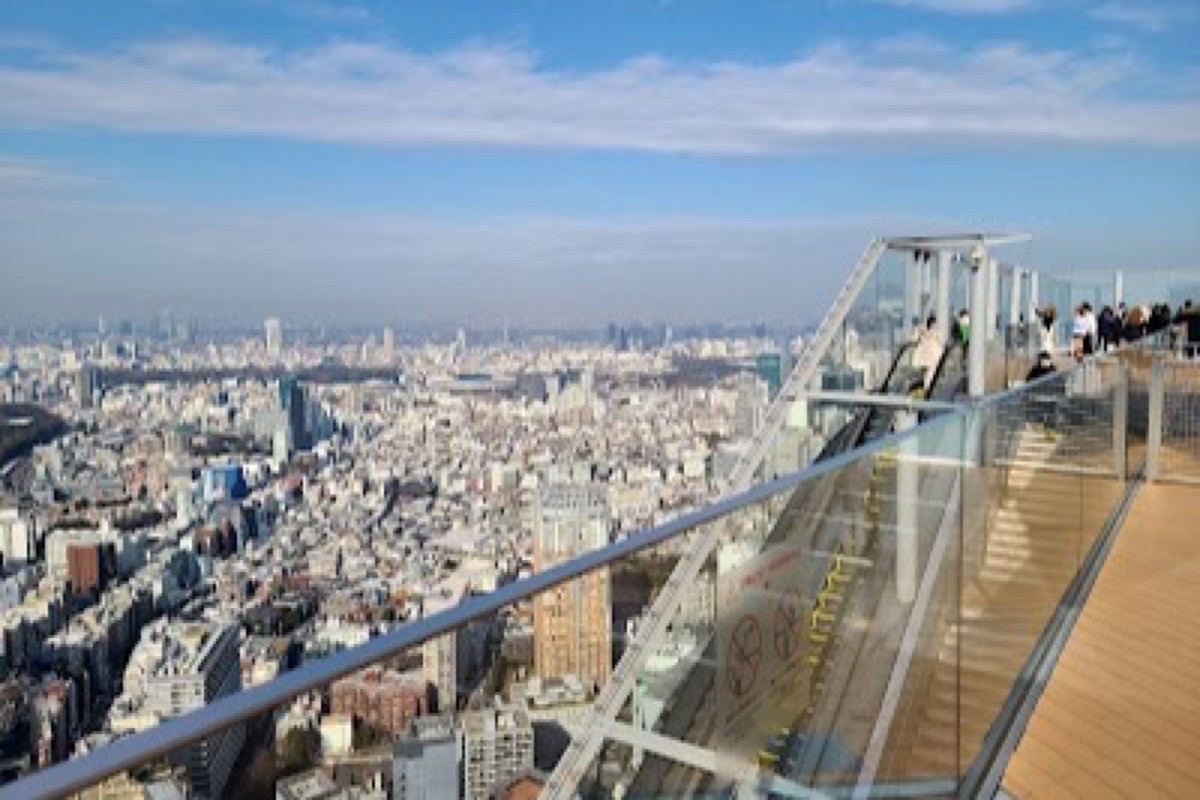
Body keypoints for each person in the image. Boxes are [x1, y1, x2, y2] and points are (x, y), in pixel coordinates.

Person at [912, 315, 943, 390]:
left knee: (927, 373)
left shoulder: (921, 331)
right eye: (935, 323)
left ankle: (926, 388)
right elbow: (941, 341)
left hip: (924, 355)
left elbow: (914, 340)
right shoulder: (937, 331)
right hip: (934, 354)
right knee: (931, 373)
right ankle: (928, 389)